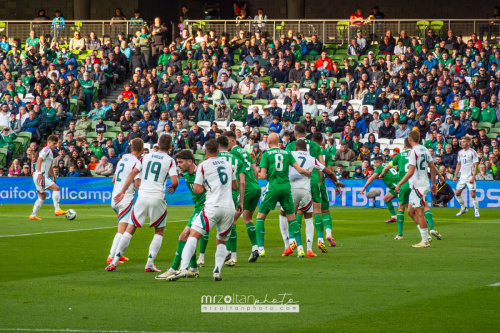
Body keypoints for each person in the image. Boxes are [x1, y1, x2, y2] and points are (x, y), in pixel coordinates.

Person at [166, 139, 237, 282]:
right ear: (218, 150)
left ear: (205, 152)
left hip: (212, 206)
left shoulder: (203, 165)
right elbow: (234, 186)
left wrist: (210, 187)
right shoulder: (229, 165)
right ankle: (217, 271)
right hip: (229, 207)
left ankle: (184, 268)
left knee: (192, 236)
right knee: (222, 242)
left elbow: (197, 189)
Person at [107, 135, 179, 272]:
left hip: (142, 197)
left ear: (157, 144)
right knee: (159, 231)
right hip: (157, 197)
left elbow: (132, 174)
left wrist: (122, 191)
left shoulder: (145, 157)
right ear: (170, 147)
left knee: (129, 230)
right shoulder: (170, 160)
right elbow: (175, 181)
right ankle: (149, 264)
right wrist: (173, 186)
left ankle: (114, 261)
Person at [279, 139, 342, 257]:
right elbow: (328, 171)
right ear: (307, 149)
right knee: (309, 218)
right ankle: (309, 250)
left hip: (292, 189)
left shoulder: (290, 154)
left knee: (288, 215)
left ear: (296, 148)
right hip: (306, 189)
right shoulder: (312, 158)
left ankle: (290, 244)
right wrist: (336, 182)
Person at [255, 133, 311, 257]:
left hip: (273, 187)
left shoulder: (266, 154)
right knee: (292, 218)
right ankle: (300, 248)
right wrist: (307, 172)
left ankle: (261, 248)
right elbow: (300, 170)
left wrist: (266, 172)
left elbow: (263, 176)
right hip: (286, 188)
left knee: (260, 217)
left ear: (268, 142)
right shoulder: (287, 153)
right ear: (278, 141)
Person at [155, 150, 204, 279]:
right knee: (189, 238)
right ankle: (193, 269)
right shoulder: (186, 175)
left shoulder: (202, 173)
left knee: (183, 237)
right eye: (177, 162)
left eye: (181, 162)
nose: (179, 165)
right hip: (198, 208)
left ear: (190, 161)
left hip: (205, 209)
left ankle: (173, 269)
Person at [285, 124, 328, 252]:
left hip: (295, 182)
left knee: (294, 211)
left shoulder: (291, 145)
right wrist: (319, 182)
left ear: (295, 133)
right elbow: (322, 164)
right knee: (317, 210)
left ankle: (293, 240)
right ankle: (320, 240)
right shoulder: (315, 145)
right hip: (313, 179)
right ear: (307, 132)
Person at [394, 131, 439, 248]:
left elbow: (410, 171)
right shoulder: (424, 149)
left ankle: (425, 240)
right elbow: (433, 167)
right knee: (410, 211)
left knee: (419, 212)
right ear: (419, 139)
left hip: (418, 185)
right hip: (421, 184)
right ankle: (426, 236)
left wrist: (399, 184)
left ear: (409, 140)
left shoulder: (413, 151)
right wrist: (433, 183)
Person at [105, 138, 143, 264]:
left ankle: (119, 254)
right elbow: (137, 184)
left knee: (124, 226)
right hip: (125, 198)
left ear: (131, 148)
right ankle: (111, 256)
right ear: (142, 149)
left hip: (115, 197)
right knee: (122, 229)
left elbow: (113, 180)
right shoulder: (137, 163)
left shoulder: (123, 159)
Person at [29, 135, 68, 220]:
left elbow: (50, 166)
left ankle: (32, 215)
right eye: (54, 143)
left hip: (40, 176)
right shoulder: (46, 150)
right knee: (56, 188)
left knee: (42, 197)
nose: (55, 145)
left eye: (56, 144)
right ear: (49, 142)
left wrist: (53, 176)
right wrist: (39, 173)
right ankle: (57, 209)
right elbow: (39, 160)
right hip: (41, 176)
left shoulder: (50, 152)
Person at [360, 156, 399, 223]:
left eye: (375, 163)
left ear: (379, 163)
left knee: (407, 205)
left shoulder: (379, 168)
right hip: (395, 185)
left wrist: (364, 187)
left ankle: (420, 217)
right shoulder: (387, 164)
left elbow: (372, 178)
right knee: (386, 199)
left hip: (397, 186)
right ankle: (393, 217)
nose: (374, 165)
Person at [454, 136, 480, 217]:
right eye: (461, 141)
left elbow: (476, 166)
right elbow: (458, 164)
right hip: (462, 177)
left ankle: (476, 211)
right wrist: (455, 175)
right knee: (457, 193)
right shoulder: (460, 152)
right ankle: (463, 208)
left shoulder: (473, 152)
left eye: (464, 141)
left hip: (470, 176)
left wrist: (473, 177)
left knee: (473, 194)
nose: (462, 143)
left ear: (468, 142)